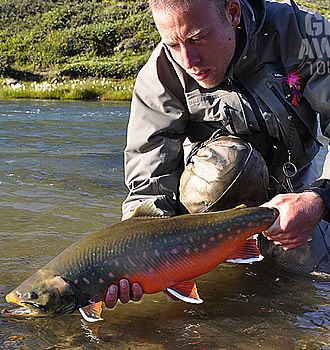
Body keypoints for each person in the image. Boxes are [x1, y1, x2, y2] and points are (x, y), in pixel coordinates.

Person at [104, 0, 330, 308]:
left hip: (295, 188)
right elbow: (148, 183)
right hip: (209, 197)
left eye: (197, 37)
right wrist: (133, 259)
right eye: (173, 44)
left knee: (317, 279)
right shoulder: (158, 77)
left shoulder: (304, 34)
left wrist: (319, 199)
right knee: (229, 165)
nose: (189, 60)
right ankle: (214, 252)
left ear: (233, 13)